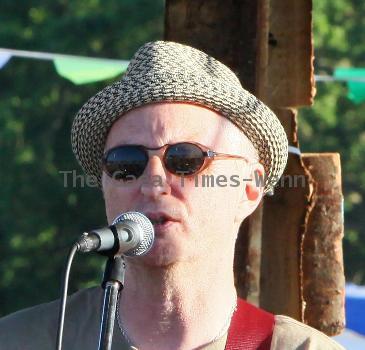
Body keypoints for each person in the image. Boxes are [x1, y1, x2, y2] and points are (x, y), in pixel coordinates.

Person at [0, 41, 343, 350]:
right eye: (126, 163)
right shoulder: (21, 340)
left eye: (185, 159)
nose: (152, 183)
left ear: (250, 187)